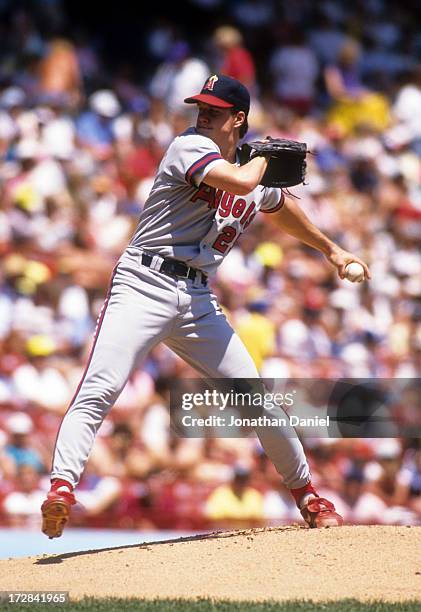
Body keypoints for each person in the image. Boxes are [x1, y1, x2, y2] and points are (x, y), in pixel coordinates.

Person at [41, 74, 370, 538]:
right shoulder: (189, 147)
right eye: (201, 106)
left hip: (197, 296)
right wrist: (260, 161)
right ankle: (61, 488)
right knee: (101, 387)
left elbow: (278, 205)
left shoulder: (253, 169)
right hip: (143, 281)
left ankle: (308, 497)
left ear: (238, 119)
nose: (203, 114)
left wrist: (331, 249)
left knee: (256, 398)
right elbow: (239, 183)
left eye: (213, 109)